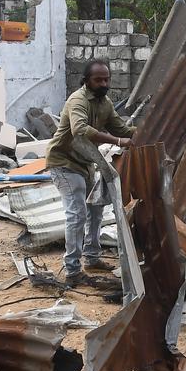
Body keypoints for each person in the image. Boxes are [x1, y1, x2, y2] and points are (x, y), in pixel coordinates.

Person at [45, 59, 136, 288]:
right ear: (86, 80)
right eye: (98, 79)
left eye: (106, 79)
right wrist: (117, 141)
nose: (104, 83)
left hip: (86, 163)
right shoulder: (78, 100)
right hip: (63, 162)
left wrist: (148, 128)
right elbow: (80, 130)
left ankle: (92, 258)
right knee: (77, 214)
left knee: (96, 211)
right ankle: (73, 271)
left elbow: (123, 129)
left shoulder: (104, 103)